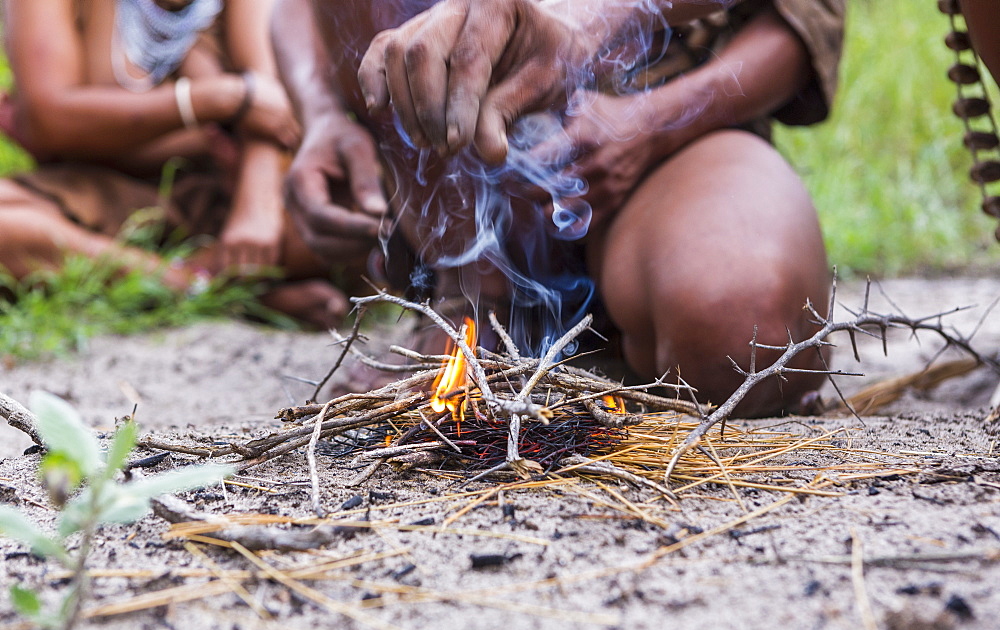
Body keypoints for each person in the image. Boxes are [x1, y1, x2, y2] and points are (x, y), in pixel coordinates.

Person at [273, 0, 844, 417]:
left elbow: (798, 20)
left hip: (665, 118)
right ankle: (472, 305)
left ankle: (613, 311)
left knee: (745, 339)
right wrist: (322, 117)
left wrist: (647, 118)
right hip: (448, 179)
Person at [0, 0, 363, 329]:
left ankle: (202, 279)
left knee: (361, 210)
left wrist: (257, 205)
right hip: (88, 190)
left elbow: (273, 101)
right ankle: (207, 287)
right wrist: (217, 98)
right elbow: (49, 119)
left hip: (223, 199)